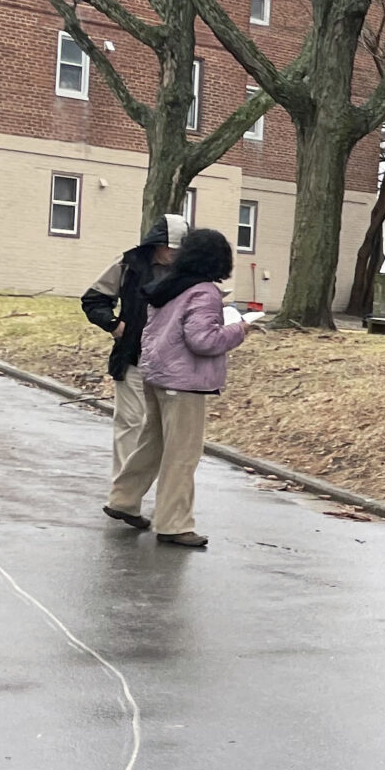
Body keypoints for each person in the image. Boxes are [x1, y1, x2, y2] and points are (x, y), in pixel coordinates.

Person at [107, 226, 249, 550]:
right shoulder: (204, 292)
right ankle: (174, 524)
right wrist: (238, 330)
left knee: (151, 444)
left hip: (155, 375)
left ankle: (123, 499)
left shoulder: (166, 285)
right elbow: (203, 340)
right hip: (184, 383)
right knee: (182, 455)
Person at [83, 214, 185, 529]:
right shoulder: (129, 265)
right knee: (130, 425)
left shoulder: (191, 271)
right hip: (133, 358)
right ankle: (124, 499)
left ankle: (146, 498)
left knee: (163, 434)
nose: (173, 253)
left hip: (172, 363)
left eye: (180, 248)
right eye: (169, 247)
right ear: (155, 244)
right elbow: (94, 298)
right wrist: (115, 326)